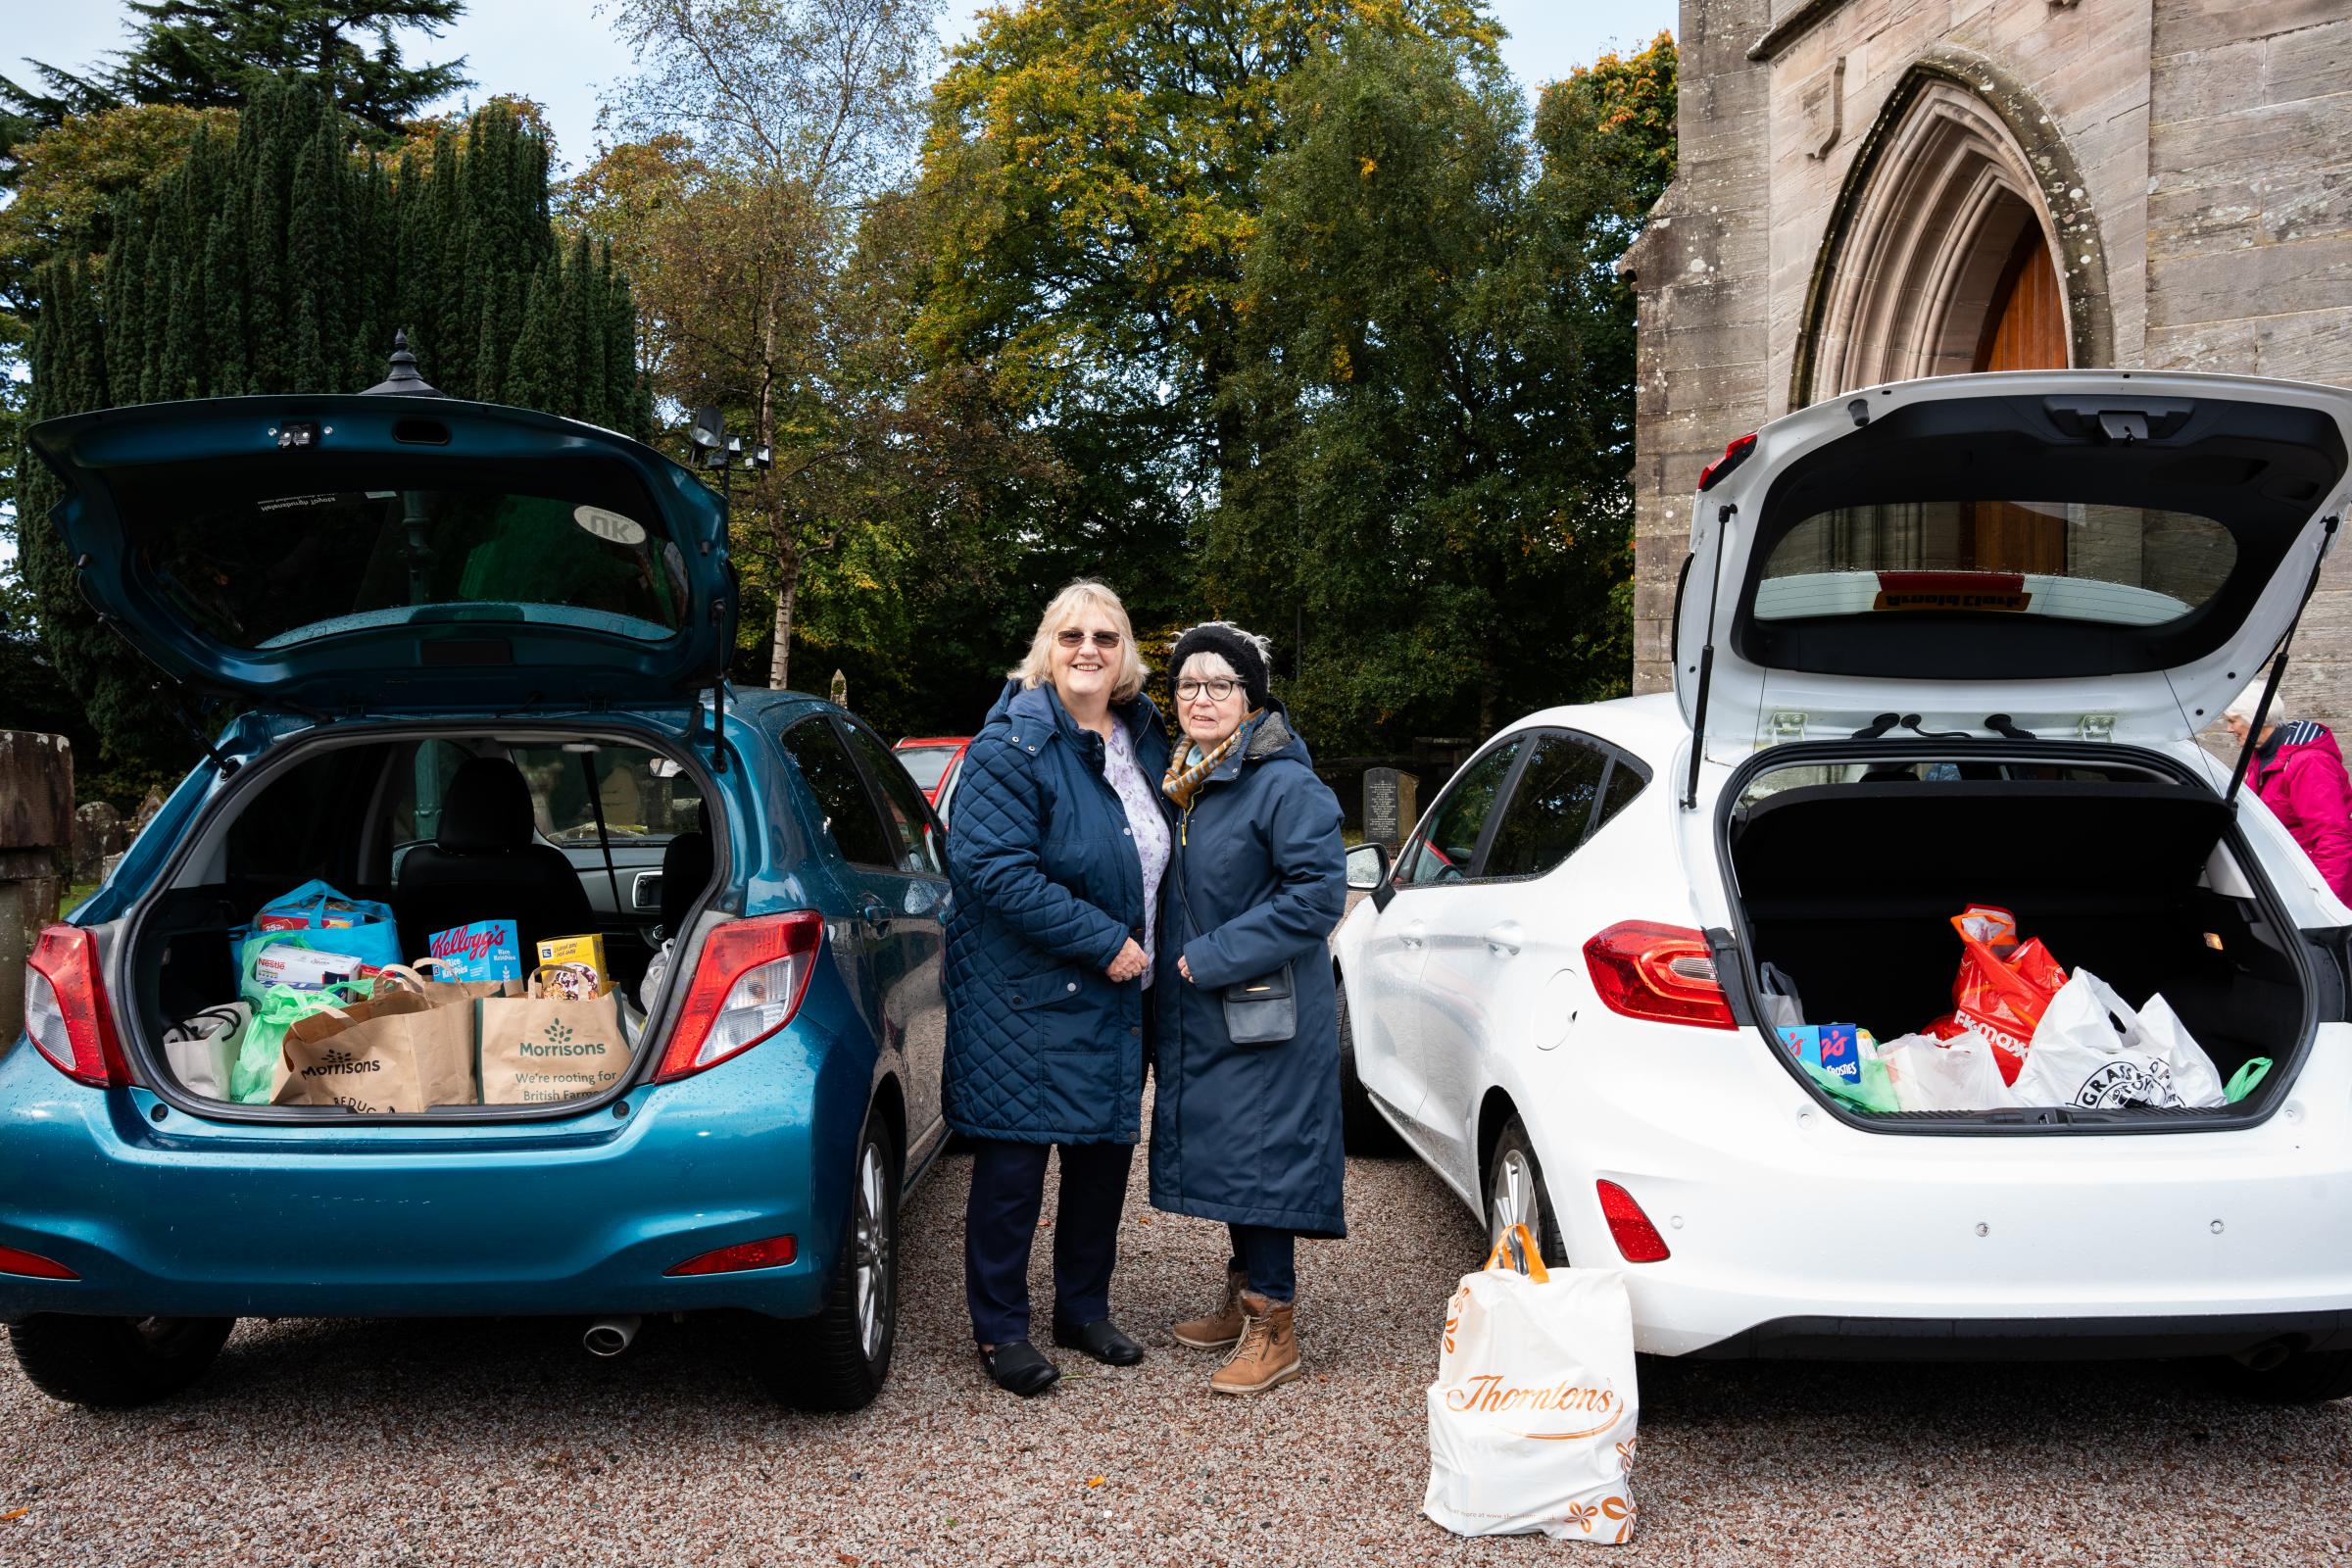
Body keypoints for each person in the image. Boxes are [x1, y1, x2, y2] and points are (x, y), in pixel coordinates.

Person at [942, 580, 1173, 1396]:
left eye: (1105, 638)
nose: (1088, 651)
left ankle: (1082, 1308)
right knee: (1013, 1169)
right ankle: (1001, 1328)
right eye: (1071, 635)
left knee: (1104, 1153)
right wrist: (1105, 939)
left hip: (1118, 994)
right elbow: (992, 869)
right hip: (1027, 994)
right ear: (1047, 647)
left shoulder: (1141, 739)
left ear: (1126, 654)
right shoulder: (1010, 747)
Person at [1152, 621, 1348, 1396]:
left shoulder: (1284, 782)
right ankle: (1243, 1298)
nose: (1201, 698)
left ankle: (1277, 1325)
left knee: (1261, 1160)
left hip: (1263, 1012)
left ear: (1250, 696)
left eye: (1220, 684)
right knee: (1234, 1153)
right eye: (1188, 685)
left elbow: (1316, 897)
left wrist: (1211, 955)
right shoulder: (1192, 776)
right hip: (1210, 1009)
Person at [2225, 681, 2352, 903]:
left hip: (2311, 889)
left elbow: (2332, 838)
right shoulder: (2260, 756)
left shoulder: (2309, 762)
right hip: (2285, 884)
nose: (2228, 729)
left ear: (2254, 718)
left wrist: (2324, 905)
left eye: (2232, 721)